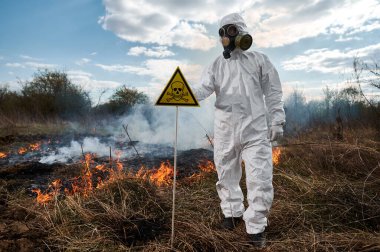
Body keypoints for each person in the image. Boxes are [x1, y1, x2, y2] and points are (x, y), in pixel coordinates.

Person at [193, 13, 285, 247]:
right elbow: (202, 89)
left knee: (260, 178)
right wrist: (182, 95)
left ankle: (256, 227)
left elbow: (273, 91)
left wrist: (276, 120)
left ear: (241, 31)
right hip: (225, 130)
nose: (226, 37)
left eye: (230, 31)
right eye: (222, 32)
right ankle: (232, 213)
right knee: (225, 175)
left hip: (255, 131)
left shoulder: (259, 60)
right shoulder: (216, 64)